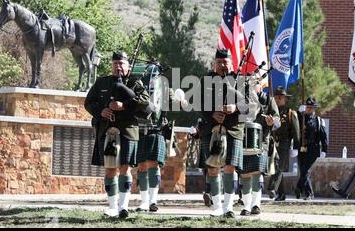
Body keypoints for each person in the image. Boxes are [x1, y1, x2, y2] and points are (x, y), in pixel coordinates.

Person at [84, 51, 150, 218]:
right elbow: (89, 102)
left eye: (121, 64)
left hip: (127, 131)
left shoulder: (135, 82)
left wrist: (124, 105)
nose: (118, 67)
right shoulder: (102, 82)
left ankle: (123, 206)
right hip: (108, 131)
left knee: (125, 168)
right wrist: (101, 111)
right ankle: (112, 207)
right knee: (110, 169)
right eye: (115, 64)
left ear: (128, 65)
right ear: (112, 65)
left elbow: (145, 101)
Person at [199, 48, 255, 218]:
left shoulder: (241, 81)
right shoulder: (206, 80)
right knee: (213, 168)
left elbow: (251, 106)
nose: (223, 65)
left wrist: (235, 107)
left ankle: (228, 207)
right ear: (215, 64)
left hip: (233, 130)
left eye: (226, 62)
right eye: (219, 62)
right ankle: (217, 207)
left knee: (230, 168)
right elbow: (198, 103)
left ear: (232, 64)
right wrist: (212, 114)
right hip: (211, 129)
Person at [135, 83, 188, 213]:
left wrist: (181, 103)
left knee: (154, 165)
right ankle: (144, 202)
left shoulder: (165, 89)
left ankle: (153, 201)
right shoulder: (136, 86)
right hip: (139, 130)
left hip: (157, 130)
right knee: (141, 166)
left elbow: (173, 105)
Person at [239, 82, 280, 216]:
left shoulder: (269, 99)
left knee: (257, 172)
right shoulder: (241, 97)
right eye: (250, 81)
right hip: (244, 140)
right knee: (245, 174)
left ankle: (256, 204)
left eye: (255, 81)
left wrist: (272, 121)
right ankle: (246, 206)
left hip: (262, 140)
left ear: (261, 85)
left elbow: (277, 120)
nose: (252, 83)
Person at [268, 87, 300, 201]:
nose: (278, 99)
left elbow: (296, 132)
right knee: (275, 167)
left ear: (285, 99)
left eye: (280, 97)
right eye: (276, 97)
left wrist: (295, 147)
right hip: (272, 142)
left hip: (284, 143)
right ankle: (281, 194)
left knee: (278, 166)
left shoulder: (291, 113)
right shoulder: (270, 112)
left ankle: (272, 188)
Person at [296, 97, 328, 200]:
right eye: (307, 107)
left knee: (305, 170)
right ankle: (307, 193)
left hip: (313, 149)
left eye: (311, 108)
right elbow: (294, 125)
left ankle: (300, 189)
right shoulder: (300, 118)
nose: (309, 109)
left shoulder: (318, 121)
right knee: (303, 171)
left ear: (314, 109)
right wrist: (298, 112)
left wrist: (324, 150)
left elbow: (324, 136)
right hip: (302, 148)